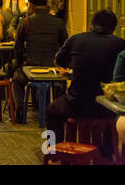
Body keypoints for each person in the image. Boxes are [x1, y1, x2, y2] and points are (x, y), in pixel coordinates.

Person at [46, 10, 125, 150]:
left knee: (52, 110)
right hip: (106, 108)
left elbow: (59, 61)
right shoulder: (121, 44)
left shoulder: (76, 39)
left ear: (91, 25)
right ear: (113, 29)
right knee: (112, 117)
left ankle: (54, 151)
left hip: (77, 105)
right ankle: (107, 152)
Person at [11, 0, 68, 122]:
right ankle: (59, 110)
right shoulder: (58, 22)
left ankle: (19, 111)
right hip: (52, 69)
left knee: (17, 80)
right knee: (61, 83)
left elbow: (18, 48)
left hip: (32, 66)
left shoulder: (25, 22)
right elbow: (65, 46)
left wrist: (20, 64)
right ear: (46, 3)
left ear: (30, 4)